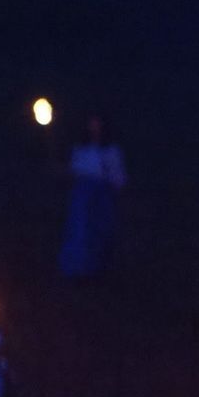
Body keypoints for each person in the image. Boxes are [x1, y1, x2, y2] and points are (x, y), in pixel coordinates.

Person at [58, 115, 126, 279]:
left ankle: (97, 271)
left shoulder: (110, 150)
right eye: (91, 125)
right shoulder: (80, 149)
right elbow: (74, 170)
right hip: (81, 195)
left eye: (98, 125)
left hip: (101, 195)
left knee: (99, 231)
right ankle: (75, 270)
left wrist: (114, 187)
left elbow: (118, 176)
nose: (94, 129)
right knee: (79, 231)